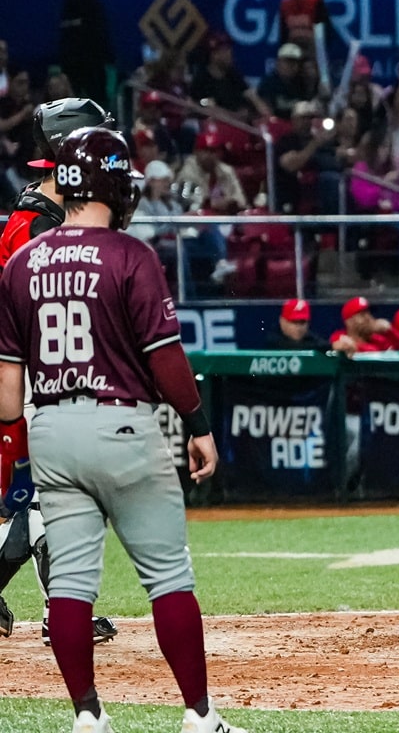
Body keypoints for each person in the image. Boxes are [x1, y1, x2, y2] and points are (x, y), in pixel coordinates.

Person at [0, 127, 247, 733]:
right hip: (122, 426)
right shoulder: (132, 255)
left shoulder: (24, 260)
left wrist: (13, 445)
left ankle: (88, 717)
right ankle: (199, 716)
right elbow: (165, 359)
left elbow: (7, 394)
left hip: (51, 428)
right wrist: (198, 423)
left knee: (71, 585)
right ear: (113, 182)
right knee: (167, 576)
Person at [0, 99, 120, 648]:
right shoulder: (31, 227)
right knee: (50, 495)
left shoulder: (59, 218)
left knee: (50, 495)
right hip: (27, 375)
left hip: (45, 374)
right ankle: (64, 611)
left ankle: (63, 609)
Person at [263, 299, 330, 351]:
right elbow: (293, 347)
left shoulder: (311, 339)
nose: (298, 327)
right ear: (282, 321)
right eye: (293, 322)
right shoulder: (273, 339)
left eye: (302, 322)